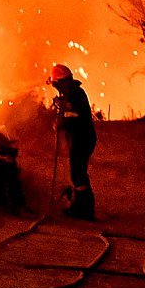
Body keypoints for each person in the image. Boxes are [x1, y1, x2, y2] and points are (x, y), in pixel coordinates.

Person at [48, 64, 97, 220]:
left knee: (77, 173)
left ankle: (84, 209)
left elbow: (74, 117)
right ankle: (82, 206)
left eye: (57, 84)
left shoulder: (74, 95)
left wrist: (61, 123)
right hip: (81, 138)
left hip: (82, 139)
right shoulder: (73, 92)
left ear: (63, 82)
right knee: (78, 172)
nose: (57, 88)